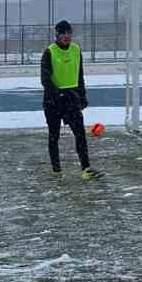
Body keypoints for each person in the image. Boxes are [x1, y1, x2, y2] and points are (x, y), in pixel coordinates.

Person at [40, 20, 102, 180]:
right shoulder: (49, 52)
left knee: (80, 134)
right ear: (57, 35)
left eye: (69, 33)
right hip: (53, 100)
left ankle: (86, 168)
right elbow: (45, 79)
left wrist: (82, 95)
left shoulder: (76, 50)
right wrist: (57, 94)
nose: (67, 36)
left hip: (72, 98)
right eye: (63, 33)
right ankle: (56, 170)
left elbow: (80, 75)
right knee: (54, 135)